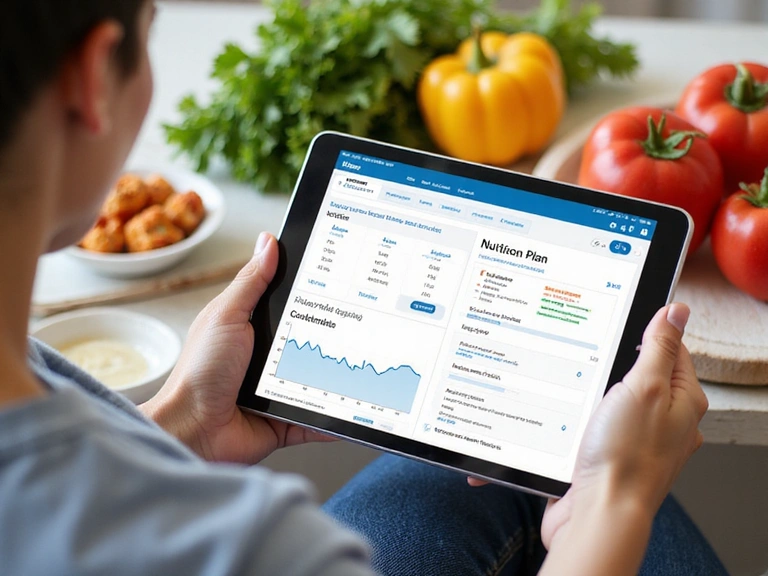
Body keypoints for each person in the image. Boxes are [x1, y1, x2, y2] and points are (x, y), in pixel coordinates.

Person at [0, 1, 728, 574]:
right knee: (577, 470)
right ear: (94, 75)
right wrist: (615, 498)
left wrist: (185, 422)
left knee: (483, 479)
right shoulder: (250, 549)